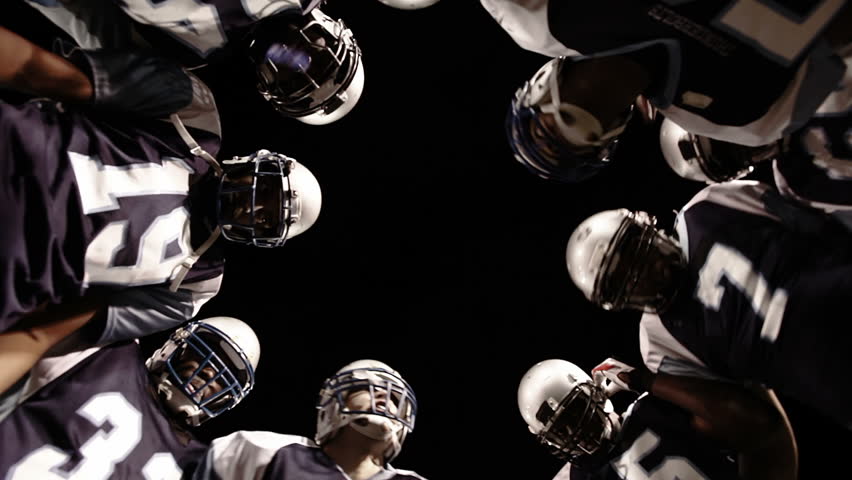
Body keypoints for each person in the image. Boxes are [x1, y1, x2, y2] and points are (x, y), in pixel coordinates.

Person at [0, 27, 322, 363]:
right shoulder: (195, 115)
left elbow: (48, 332)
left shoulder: (197, 286)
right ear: (258, 162)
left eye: (266, 218)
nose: (254, 205)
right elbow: (47, 74)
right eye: (267, 190)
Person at [563, 179, 852, 430]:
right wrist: (644, 380)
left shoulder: (705, 207)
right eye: (623, 282)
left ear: (647, 228)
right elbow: (749, 418)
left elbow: (815, 218)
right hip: (831, 379)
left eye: (635, 256)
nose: (640, 278)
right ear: (617, 303)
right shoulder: (658, 343)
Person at [487, 0, 851, 181]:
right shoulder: (739, 116)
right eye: (566, 144)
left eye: (544, 130)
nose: (563, 130)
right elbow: (832, 39)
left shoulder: (543, 16)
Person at [22, 0, 364, 125]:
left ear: (266, 88)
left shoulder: (185, 57)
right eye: (319, 61)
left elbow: (87, 16)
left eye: (294, 80)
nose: (298, 60)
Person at [0, 316, 260, 478]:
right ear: (174, 345)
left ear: (227, 401)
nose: (209, 373)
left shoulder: (194, 465)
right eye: (205, 352)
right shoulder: (110, 352)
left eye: (225, 378)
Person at [517, 358, 796, 480]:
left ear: (595, 391)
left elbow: (754, 424)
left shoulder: (651, 410)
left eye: (576, 410)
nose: (575, 430)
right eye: (560, 430)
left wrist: (644, 379)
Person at [188, 359, 427, 480]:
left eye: (395, 398)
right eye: (368, 389)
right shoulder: (261, 451)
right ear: (333, 405)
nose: (384, 398)